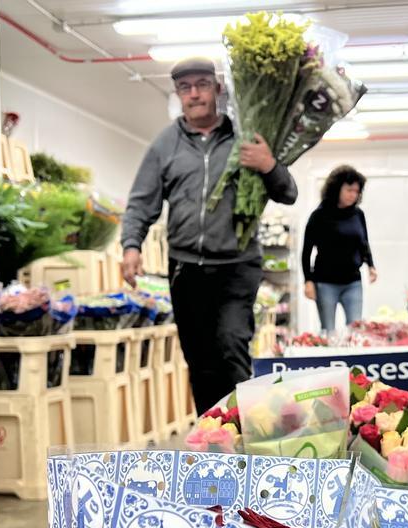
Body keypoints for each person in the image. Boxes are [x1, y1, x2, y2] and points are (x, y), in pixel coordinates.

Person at [120, 57, 298, 413]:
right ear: (177, 94)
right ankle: (212, 436)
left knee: (231, 346)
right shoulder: (164, 146)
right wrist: (131, 245)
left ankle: (242, 434)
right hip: (186, 269)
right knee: (200, 360)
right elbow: (142, 202)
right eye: (185, 88)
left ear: (217, 89)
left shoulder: (245, 135)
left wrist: (268, 165)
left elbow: (288, 192)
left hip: (237, 264)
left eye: (202, 85)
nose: (194, 94)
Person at [302, 165, 377, 331]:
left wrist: (371, 265)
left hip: (353, 282)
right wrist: (308, 281)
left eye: (357, 191)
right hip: (325, 282)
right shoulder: (319, 216)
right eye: (349, 190)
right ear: (337, 188)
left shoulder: (358, 214)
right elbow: (307, 252)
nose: (353, 195)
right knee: (328, 329)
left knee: (355, 329)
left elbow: (363, 242)